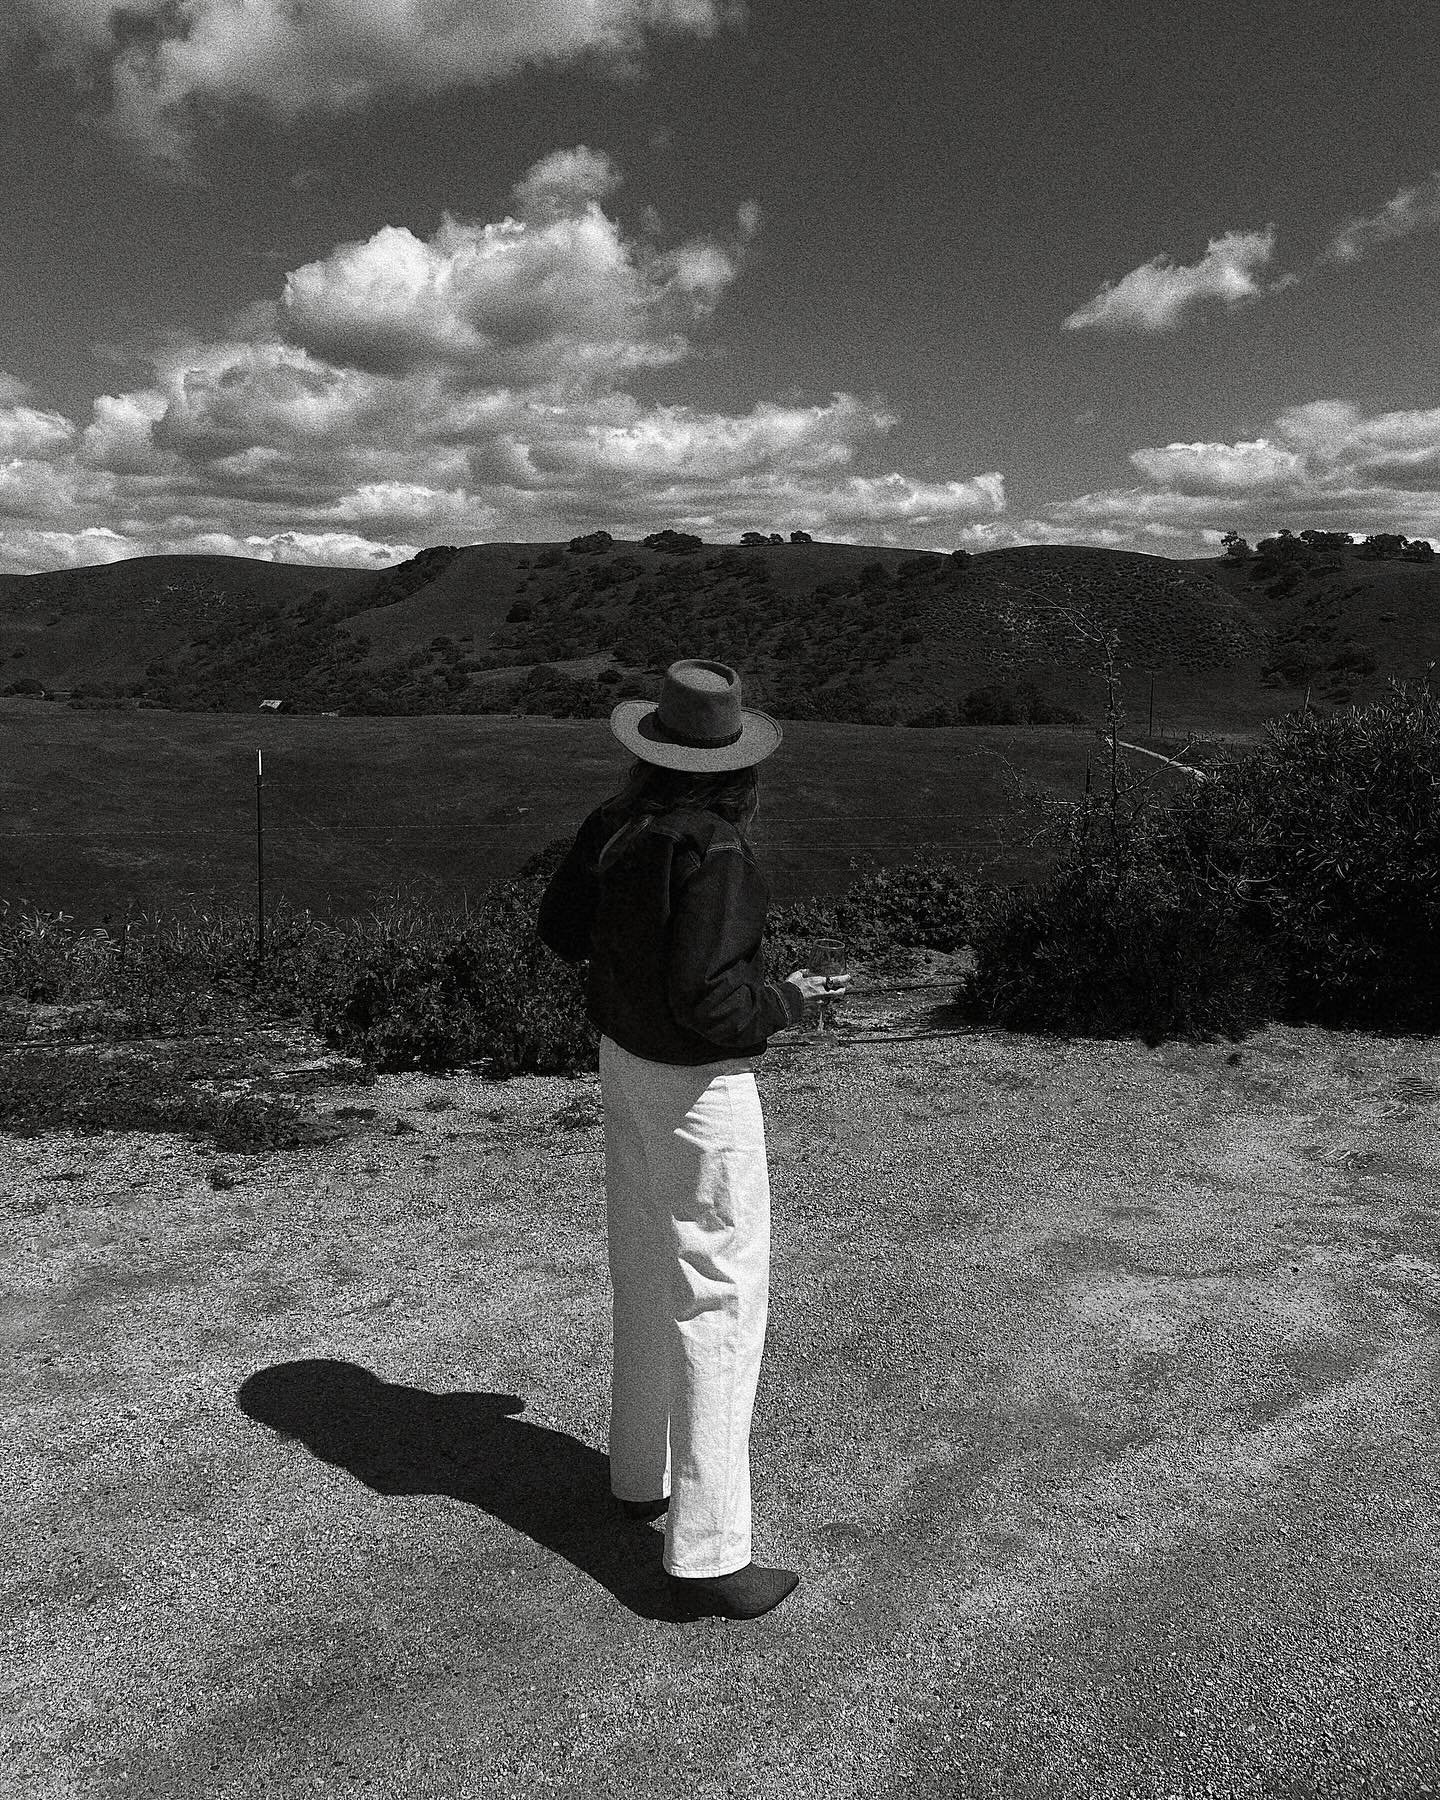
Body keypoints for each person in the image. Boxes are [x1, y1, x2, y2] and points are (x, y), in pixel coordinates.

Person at [536, 658, 851, 1620]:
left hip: (623, 1064)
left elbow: (561, 931)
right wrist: (785, 1000)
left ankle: (640, 1476)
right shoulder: (717, 850)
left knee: (642, 1266)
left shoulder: (614, 826)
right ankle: (712, 1552)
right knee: (718, 1292)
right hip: (697, 1089)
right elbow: (712, 1003)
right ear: (736, 764)